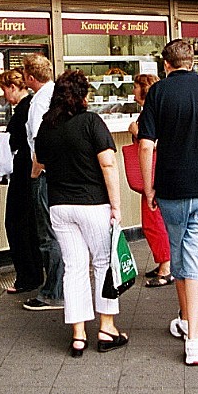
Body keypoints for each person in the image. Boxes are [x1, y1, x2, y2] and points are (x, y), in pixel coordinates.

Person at [137, 39, 198, 366]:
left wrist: (149, 186)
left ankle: (186, 323)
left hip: (170, 188)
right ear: (191, 62)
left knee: (181, 255)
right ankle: (193, 337)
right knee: (193, 258)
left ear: (166, 64)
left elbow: (145, 145)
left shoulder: (158, 93)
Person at [35, 70, 127, 357]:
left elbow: (39, 163)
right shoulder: (91, 122)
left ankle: (78, 335)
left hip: (60, 206)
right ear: (83, 94)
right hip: (93, 204)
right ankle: (106, 328)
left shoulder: (46, 125)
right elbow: (108, 165)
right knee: (103, 263)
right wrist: (116, 205)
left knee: (74, 268)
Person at [22, 53, 64, 311]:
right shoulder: (56, 94)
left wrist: (35, 172)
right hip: (60, 173)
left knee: (48, 234)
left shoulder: (39, 103)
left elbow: (41, 142)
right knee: (58, 231)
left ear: (29, 77)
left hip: (45, 174)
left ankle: (53, 291)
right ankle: (60, 287)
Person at [0, 68, 43, 294]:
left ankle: (26, 276)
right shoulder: (31, 106)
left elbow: (18, 141)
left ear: (13, 87)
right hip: (28, 169)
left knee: (16, 223)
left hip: (23, 169)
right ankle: (34, 272)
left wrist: (2, 138)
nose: (5, 96)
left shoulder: (23, 109)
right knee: (29, 224)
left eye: (5, 90)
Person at [128, 73, 172, 287]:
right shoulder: (158, 110)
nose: (133, 91)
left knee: (153, 222)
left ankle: (165, 268)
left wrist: (137, 131)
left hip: (153, 174)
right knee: (155, 221)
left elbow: (155, 144)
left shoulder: (150, 113)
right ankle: (163, 261)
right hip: (158, 172)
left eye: (136, 87)